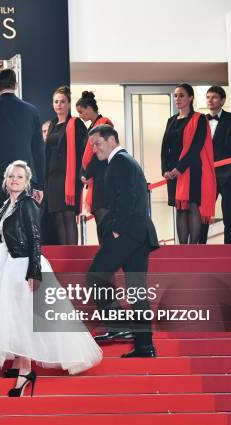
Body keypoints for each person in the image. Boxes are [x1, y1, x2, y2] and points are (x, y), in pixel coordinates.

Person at [0, 160, 102, 397]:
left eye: (20, 177)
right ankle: (17, 363)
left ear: (26, 183)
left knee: (23, 317)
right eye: (12, 177)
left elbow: (36, 239)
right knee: (10, 313)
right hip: (6, 259)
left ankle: (26, 371)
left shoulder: (28, 205)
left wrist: (34, 272)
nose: (15, 180)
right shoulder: (5, 206)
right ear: (6, 181)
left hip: (23, 263)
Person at [87, 125, 159, 358]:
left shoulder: (120, 162)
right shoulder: (126, 161)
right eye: (92, 145)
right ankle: (145, 346)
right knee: (137, 290)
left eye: (97, 144)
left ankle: (119, 326)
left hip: (127, 233)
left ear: (111, 141)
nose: (94, 149)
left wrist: (116, 229)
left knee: (96, 275)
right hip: (139, 234)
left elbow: (127, 197)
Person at [0, 69, 45, 246]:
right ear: (16, 85)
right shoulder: (32, 111)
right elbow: (38, 150)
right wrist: (39, 184)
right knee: (23, 226)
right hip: (24, 178)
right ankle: (20, 269)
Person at [160, 83, 216, 244]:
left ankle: (192, 249)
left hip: (192, 170)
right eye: (176, 95)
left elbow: (195, 147)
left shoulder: (199, 119)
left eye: (181, 95)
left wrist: (179, 168)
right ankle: (182, 249)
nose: (177, 98)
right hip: (173, 172)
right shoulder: (171, 120)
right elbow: (165, 148)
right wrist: (165, 170)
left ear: (190, 98)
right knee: (180, 209)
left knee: (192, 207)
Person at [43, 86, 87, 245]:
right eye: (56, 102)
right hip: (53, 179)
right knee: (58, 219)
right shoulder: (53, 124)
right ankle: (64, 255)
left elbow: (83, 151)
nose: (59, 105)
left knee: (68, 218)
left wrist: (82, 175)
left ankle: (73, 255)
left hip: (69, 178)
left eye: (62, 101)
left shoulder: (76, 124)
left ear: (68, 104)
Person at [198, 86, 231, 244]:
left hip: (228, 174)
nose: (210, 100)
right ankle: (200, 250)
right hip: (205, 174)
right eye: (208, 97)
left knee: (229, 214)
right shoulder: (199, 120)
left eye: (214, 97)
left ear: (222, 100)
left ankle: (230, 249)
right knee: (203, 213)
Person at [76, 91, 114, 230]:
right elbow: (85, 155)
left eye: (81, 112)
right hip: (95, 177)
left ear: (89, 108)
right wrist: (84, 173)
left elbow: (101, 151)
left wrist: (87, 173)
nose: (80, 115)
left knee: (104, 217)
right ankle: (104, 250)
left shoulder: (105, 123)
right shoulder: (91, 127)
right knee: (99, 216)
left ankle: (109, 250)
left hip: (104, 175)